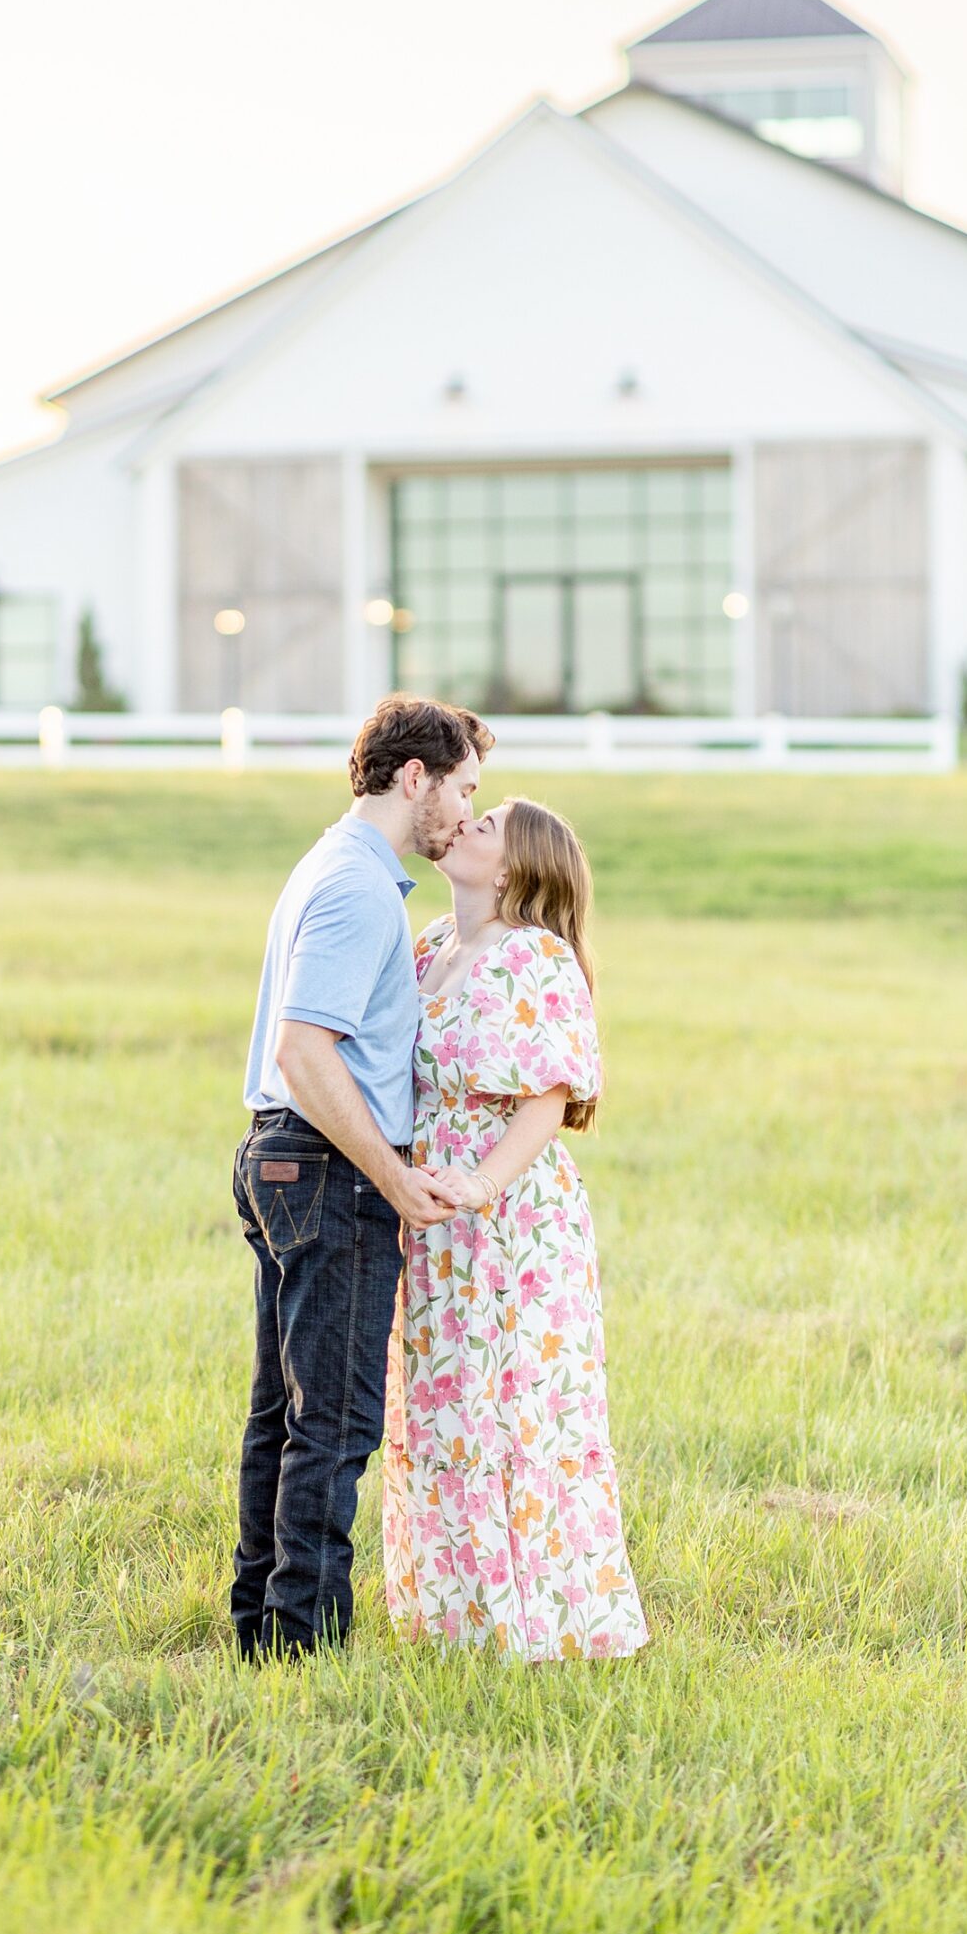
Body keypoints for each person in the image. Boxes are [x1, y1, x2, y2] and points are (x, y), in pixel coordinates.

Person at [231, 694, 494, 1658]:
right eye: (463, 787)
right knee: (332, 1425)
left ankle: (262, 1634)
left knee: (288, 1418)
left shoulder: (336, 866)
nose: (468, 813)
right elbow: (307, 1051)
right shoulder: (353, 886)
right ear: (413, 776)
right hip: (326, 1172)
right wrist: (388, 1176)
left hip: (287, 1159)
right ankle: (303, 1648)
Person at [383, 797, 648, 1661]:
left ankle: (537, 1623)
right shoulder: (428, 946)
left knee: (512, 1408)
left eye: (485, 823)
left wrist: (482, 1184)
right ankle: (451, 1618)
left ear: (513, 869)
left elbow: (550, 1096)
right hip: (426, 1209)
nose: (461, 822)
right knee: (439, 1404)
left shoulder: (533, 957)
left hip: (510, 1214)